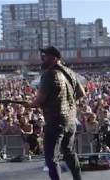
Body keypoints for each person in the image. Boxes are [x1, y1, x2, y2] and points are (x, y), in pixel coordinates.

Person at [22, 46, 86, 180]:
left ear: (54, 58)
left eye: (45, 56)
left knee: (51, 157)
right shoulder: (70, 72)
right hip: (70, 120)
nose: (42, 59)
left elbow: (39, 101)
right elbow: (81, 93)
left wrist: (29, 104)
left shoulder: (49, 74)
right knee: (69, 152)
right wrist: (67, 102)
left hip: (56, 121)